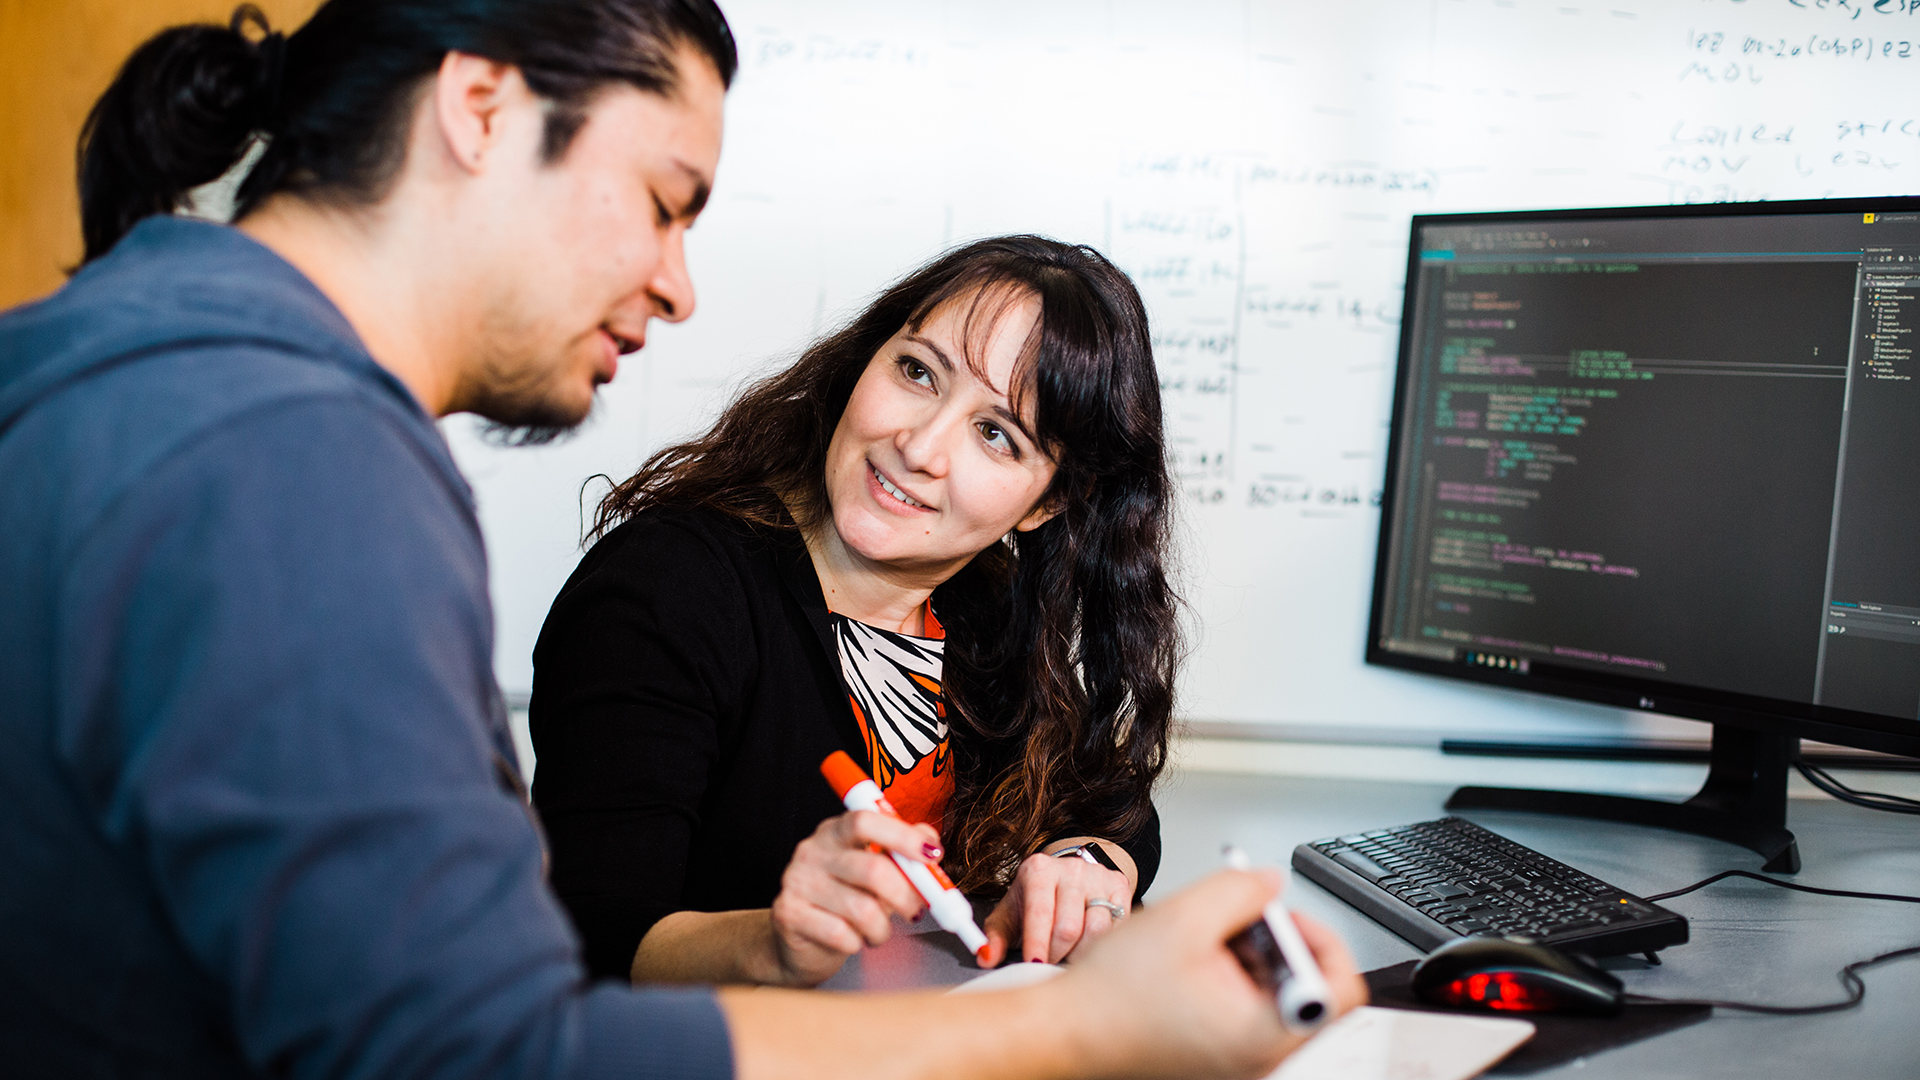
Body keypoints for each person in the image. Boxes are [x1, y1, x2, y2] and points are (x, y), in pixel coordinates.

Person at [0, 1, 1365, 1078]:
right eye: (663, 199)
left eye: (1002, 438)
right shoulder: (287, 468)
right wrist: (1085, 1033)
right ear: (480, 109)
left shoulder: (140, 367)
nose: (678, 282)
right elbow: (489, 1047)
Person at [530, 236, 1181, 988]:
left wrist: (1082, 865)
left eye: (996, 434)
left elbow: (1113, 808)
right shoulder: (666, 588)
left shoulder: (984, 606)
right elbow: (595, 940)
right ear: (866, 359)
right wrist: (776, 943)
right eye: (917, 372)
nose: (920, 446)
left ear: (1048, 504)